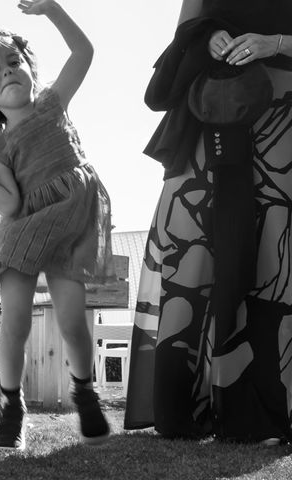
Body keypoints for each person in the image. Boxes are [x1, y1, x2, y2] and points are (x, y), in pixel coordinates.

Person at [0, 0, 114, 450]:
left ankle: (83, 389)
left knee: (73, 321)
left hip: (72, 219)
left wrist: (53, 10)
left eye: (14, 62)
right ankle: (11, 407)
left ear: (30, 69)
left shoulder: (53, 103)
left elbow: (84, 53)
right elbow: (10, 202)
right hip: (22, 229)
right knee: (14, 324)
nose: (8, 72)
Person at [124, 0, 292, 445]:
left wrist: (273, 44)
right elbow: (185, 35)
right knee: (188, 244)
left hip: (283, 109)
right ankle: (187, 407)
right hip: (211, 109)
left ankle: (263, 411)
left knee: (275, 252)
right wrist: (208, 38)